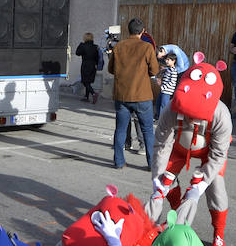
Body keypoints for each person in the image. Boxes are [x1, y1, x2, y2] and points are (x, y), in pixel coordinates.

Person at [148, 54, 233, 246]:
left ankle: (218, 234)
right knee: (164, 179)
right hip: (178, 148)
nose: (191, 119)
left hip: (209, 152)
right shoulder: (171, 108)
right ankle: (179, 217)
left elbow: (219, 153)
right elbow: (161, 144)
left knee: (216, 188)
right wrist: (158, 179)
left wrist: (201, 182)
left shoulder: (221, 114)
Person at [108, 18, 159, 170]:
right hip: (142, 95)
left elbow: (111, 69)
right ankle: (152, 164)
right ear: (142, 31)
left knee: (121, 129)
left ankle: (118, 162)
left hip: (122, 95)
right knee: (148, 130)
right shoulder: (147, 47)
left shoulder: (119, 47)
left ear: (128, 30)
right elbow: (154, 71)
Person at [75, 32, 103, 104]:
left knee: (85, 81)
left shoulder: (83, 46)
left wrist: (80, 45)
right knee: (88, 81)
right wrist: (96, 65)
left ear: (85, 38)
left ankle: (93, 93)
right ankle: (86, 97)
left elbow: (77, 53)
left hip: (86, 65)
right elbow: (97, 57)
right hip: (93, 66)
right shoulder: (95, 47)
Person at [153, 49, 179, 119]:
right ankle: (158, 117)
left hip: (167, 91)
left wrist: (163, 87)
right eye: (166, 59)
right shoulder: (167, 69)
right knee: (158, 104)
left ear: (173, 61)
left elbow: (172, 82)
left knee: (163, 106)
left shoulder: (173, 71)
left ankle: (162, 119)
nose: (166, 61)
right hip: (163, 90)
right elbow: (162, 76)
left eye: (168, 60)